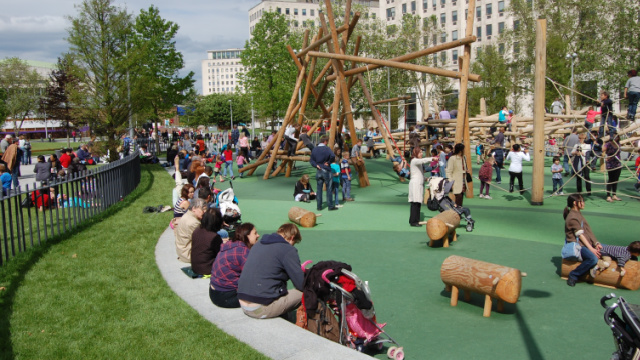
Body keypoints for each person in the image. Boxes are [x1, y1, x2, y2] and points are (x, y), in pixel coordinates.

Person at [237, 223, 304, 319]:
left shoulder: (258, 244)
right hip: (259, 308)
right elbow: (301, 284)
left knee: (278, 288)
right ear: (292, 238)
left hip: (243, 302)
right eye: (294, 243)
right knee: (309, 292)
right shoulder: (288, 249)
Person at [209, 222, 258, 308]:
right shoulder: (243, 252)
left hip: (214, 291)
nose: (258, 235)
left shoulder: (230, 244)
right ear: (247, 236)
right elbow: (253, 278)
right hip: (225, 297)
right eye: (255, 233)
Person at [564, 194, 602, 287]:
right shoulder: (572, 217)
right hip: (579, 246)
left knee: (605, 249)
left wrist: (596, 243)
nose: (584, 203)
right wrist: (591, 249)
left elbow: (588, 230)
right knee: (592, 259)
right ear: (575, 203)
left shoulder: (578, 213)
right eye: (582, 201)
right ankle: (573, 275)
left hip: (586, 243)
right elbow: (580, 235)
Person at [191, 207, 223, 276]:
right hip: (207, 269)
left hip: (195, 266)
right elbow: (221, 255)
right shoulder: (214, 237)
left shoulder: (197, 230)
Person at [174, 198, 208, 263]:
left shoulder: (187, 215)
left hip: (183, 251)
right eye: (203, 209)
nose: (204, 211)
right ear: (193, 209)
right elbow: (204, 241)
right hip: (188, 254)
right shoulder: (193, 223)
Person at [408, 147, 434, 227]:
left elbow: (419, 173)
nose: (421, 154)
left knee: (417, 202)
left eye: (421, 152)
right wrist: (432, 158)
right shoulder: (415, 160)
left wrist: (425, 178)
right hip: (415, 184)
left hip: (418, 183)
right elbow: (423, 160)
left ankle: (415, 220)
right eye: (420, 152)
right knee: (415, 202)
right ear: (415, 153)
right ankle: (413, 221)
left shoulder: (417, 162)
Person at [309, 136, 337, 211]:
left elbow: (311, 160)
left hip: (319, 170)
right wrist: (328, 162)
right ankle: (330, 206)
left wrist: (316, 165)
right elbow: (333, 156)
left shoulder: (314, 149)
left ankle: (319, 206)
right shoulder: (327, 149)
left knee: (319, 189)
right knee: (329, 189)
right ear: (325, 141)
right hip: (326, 170)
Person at [604, 135, 622, 202]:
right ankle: (608, 196)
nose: (615, 138)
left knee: (615, 180)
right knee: (610, 180)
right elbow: (603, 150)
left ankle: (614, 195)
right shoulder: (608, 144)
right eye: (614, 136)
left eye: (616, 137)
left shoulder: (618, 144)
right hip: (610, 164)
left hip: (617, 163)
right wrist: (606, 156)